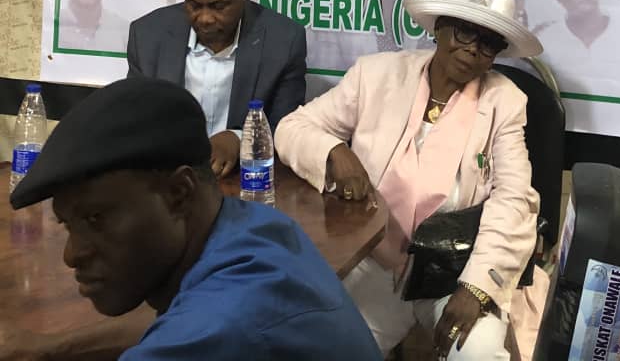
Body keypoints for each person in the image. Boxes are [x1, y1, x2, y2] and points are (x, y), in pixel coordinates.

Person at [8, 77, 382, 361]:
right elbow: (169, 322)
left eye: (95, 219)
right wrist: (48, 350)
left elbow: (209, 328)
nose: (71, 255)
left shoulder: (225, 322)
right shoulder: (256, 227)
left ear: (179, 193)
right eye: (67, 225)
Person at [275, 0, 543, 360]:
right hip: (373, 257)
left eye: (488, 43)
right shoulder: (376, 74)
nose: (472, 49)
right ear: (439, 28)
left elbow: (514, 197)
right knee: (315, 348)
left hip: (454, 269)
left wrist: (476, 287)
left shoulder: (505, 102)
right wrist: (334, 151)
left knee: (479, 353)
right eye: (465, 32)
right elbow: (293, 128)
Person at [127, 0, 306, 177]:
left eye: (218, 6)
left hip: (243, 181)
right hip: (167, 177)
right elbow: (135, 120)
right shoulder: (148, 36)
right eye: (194, 5)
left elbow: (288, 129)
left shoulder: (283, 41)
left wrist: (239, 139)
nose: (205, 18)